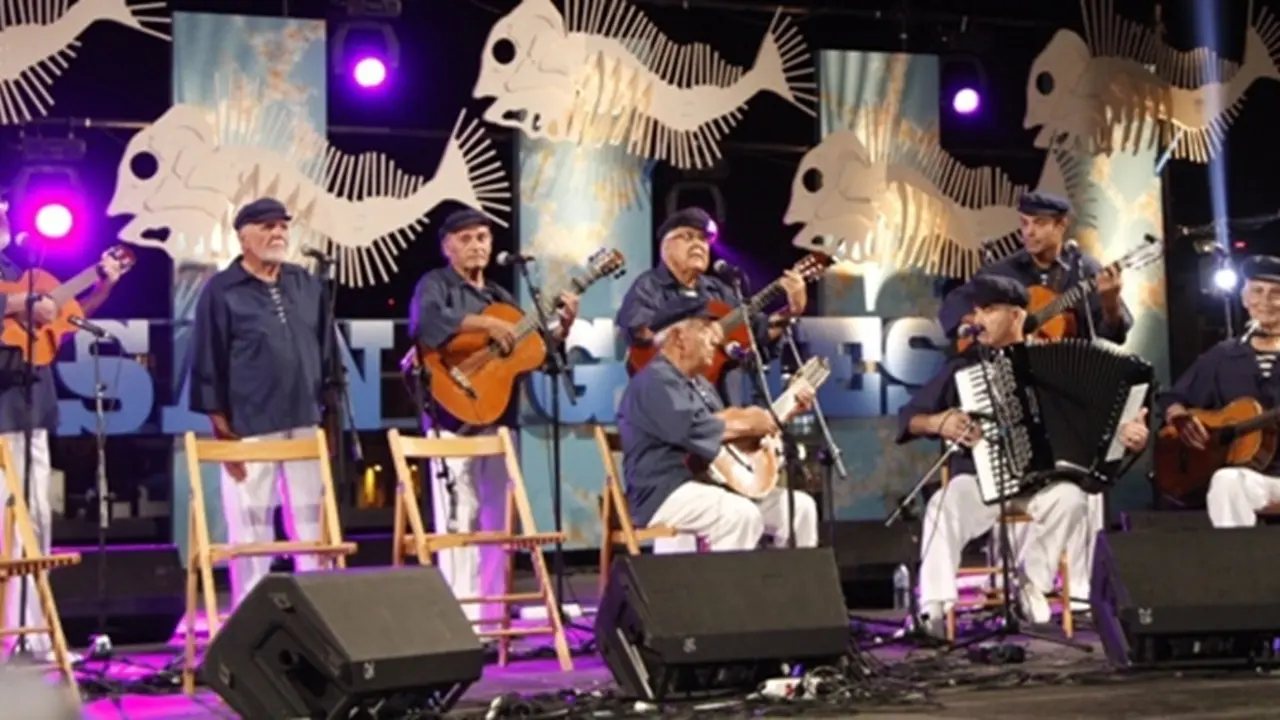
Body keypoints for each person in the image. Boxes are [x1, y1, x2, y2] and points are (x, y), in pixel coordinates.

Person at [898, 275, 1149, 637]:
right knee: (943, 503)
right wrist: (940, 421)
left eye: (989, 310)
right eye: (976, 311)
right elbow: (910, 418)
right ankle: (933, 610)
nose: (977, 319)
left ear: (1016, 315)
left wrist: (1127, 436)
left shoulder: (1059, 363)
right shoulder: (964, 367)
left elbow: (1104, 428)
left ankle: (1030, 582)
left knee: (1074, 498)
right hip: (983, 482)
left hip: (1045, 485)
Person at [409, 207, 579, 627]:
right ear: (447, 246)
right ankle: (457, 617)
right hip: (451, 417)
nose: (476, 245)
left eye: (482, 237)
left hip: (498, 419)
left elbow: (535, 354)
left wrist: (562, 328)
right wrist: (483, 324)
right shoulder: (436, 285)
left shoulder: (501, 298)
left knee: (496, 521)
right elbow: (425, 322)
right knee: (459, 518)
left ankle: (488, 619)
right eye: (465, 238)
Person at [189, 197, 329, 608]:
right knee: (251, 529)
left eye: (283, 226)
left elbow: (325, 353)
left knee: (310, 523)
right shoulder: (222, 290)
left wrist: (327, 420)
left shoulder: (305, 283)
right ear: (243, 236)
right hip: (248, 424)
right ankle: (251, 620)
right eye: (267, 227)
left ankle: (317, 616)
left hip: (305, 419)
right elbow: (208, 358)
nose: (278, 234)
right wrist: (222, 429)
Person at [0, 197, 123, 661]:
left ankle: (32, 634)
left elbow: (69, 319)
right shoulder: (20, 285)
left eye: (5, 210)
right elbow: (22, 305)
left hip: (29, 410)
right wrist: (20, 303)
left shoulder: (22, 267)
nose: (3, 216)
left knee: (35, 522)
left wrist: (102, 283)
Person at [616, 300, 820, 551]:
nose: (715, 338)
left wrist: (783, 413)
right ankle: (729, 591)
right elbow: (697, 429)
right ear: (679, 338)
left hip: (715, 484)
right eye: (704, 328)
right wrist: (750, 422)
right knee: (738, 514)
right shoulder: (654, 382)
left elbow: (731, 441)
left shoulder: (701, 385)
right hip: (665, 492)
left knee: (799, 508)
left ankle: (792, 590)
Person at [616, 207, 807, 401]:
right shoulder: (649, 285)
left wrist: (792, 311)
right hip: (668, 402)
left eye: (704, 239)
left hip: (722, 404)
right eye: (688, 237)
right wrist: (694, 336)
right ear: (665, 245)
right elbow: (638, 332)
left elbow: (760, 333)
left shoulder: (719, 290)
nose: (699, 244)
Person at [1161, 255, 1280, 527]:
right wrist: (1180, 418)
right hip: (1256, 477)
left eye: (1276, 293)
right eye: (1257, 291)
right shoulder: (1223, 355)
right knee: (1226, 481)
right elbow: (1173, 398)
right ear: (1244, 298)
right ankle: (1237, 566)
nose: (1265, 300)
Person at [978, 191, 1132, 345]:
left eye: (1039, 223)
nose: (1029, 232)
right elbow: (969, 329)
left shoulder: (1084, 269)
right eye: (1025, 223)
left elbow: (1116, 336)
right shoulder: (1001, 273)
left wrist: (1111, 304)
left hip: (1071, 366)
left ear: (1062, 225)